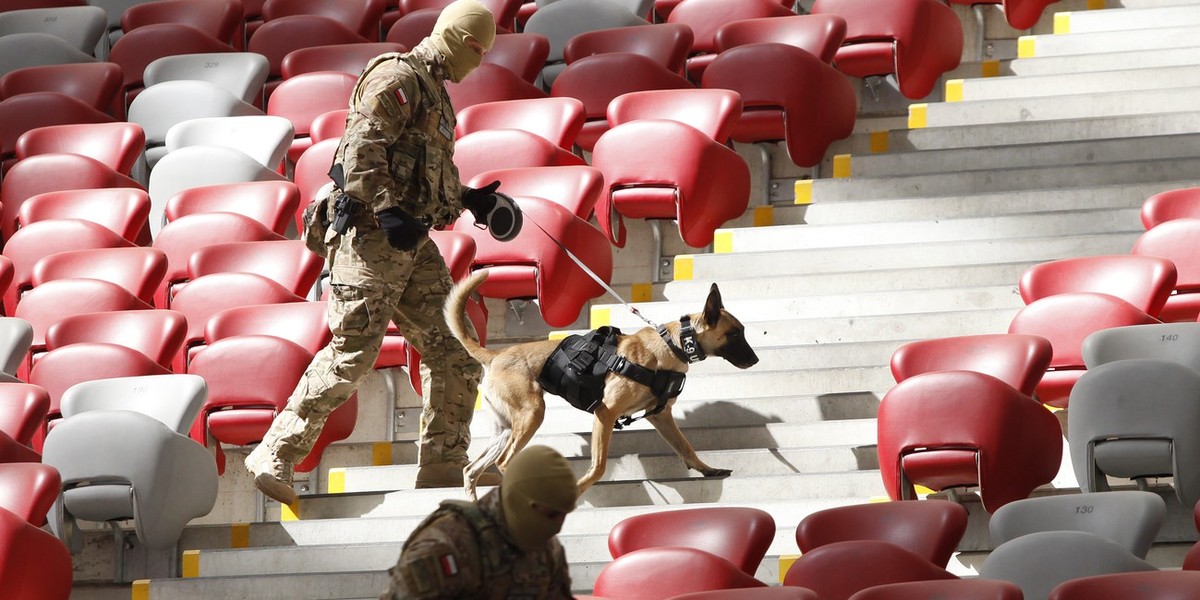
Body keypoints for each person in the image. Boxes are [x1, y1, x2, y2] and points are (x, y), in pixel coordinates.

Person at [245, 0, 508, 503]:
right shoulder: (398, 77)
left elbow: (422, 172)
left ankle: (443, 463)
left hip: (409, 243)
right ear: (452, 36)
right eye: (473, 47)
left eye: (484, 53)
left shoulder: (435, 91)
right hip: (369, 238)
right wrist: (388, 211)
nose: (476, 60)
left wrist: (469, 199)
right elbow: (360, 150)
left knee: (455, 348)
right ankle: (273, 453)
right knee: (352, 354)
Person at [379, 445, 578, 599]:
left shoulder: (548, 551)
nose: (557, 525)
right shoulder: (447, 546)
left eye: (564, 515)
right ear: (519, 500)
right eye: (551, 514)